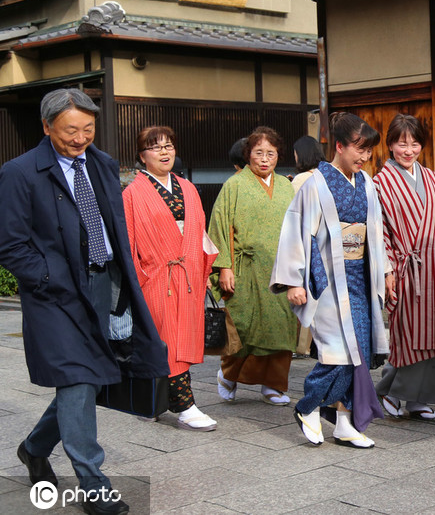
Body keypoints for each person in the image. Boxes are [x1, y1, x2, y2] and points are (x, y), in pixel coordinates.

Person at [0, 88, 168, 515]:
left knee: (89, 379)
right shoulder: (20, 173)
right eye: (71, 130)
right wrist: (50, 279)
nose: (80, 139)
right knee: (76, 379)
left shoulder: (103, 164)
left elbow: (113, 224)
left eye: (88, 129)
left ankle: (34, 448)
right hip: (54, 295)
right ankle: (94, 484)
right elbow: (11, 245)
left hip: (104, 285)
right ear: (46, 127)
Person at [271, 112, 393, 448]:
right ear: (339, 146)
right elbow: (297, 232)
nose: (365, 157)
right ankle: (308, 406)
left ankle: (344, 421)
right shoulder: (315, 184)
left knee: (360, 353)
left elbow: (376, 233)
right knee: (337, 353)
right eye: (359, 149)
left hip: (361, 279)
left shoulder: (366, 183)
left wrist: (385, 270)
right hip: (328, 281)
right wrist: (294, 281)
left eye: (368, 151)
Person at [123, 126, 218, 431]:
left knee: (181, 340)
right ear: (142, 157)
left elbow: (200, 231)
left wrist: (204, 267)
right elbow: (128, 243)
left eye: (168, 146)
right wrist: (141, 279)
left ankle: (150, 402)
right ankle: (185, 405)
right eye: (155, 147)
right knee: (167, 341)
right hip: (156, 278)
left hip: (188, 275)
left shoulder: (188, 188)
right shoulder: (132, 193)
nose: (164, 152)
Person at [373, 114, 435, 421]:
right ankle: (394, 392)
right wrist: (388, 270)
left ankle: (420, 399)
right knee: (408, 334)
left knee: (431, 335)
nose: (408, 151)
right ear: (391, 144)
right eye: (401, 143)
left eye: (415, 143)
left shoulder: (431, 177)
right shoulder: (380, 182)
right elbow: (378, 231)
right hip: (405, 269)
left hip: (434, 266)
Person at [209, 126, 297, 404]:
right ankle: (229, 374)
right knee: (244, 327)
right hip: (244, 269)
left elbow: (297, 228)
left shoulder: (286, 186)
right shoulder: (234, 185)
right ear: (248, 155)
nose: (264, 159)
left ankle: (273, 385)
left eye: (270, 153)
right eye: (258, 153)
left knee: (281, 327)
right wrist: (224, 267)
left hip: (280, 270)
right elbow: (219, 227)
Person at [291, 135, 326, 357]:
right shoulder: (327, 176)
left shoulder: (301, 179)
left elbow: (292, 213)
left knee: (304, 293)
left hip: (305, 241)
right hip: (326, 242)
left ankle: (301, 345)